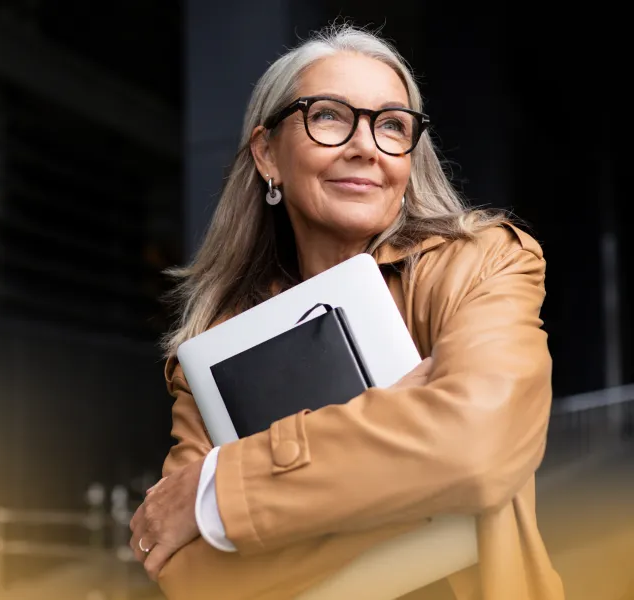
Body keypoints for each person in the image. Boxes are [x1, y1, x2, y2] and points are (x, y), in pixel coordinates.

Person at [129, 24, 564, 600]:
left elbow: (476, 452)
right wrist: (412, 452)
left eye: (391, 125)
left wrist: (219, 493)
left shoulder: (482, 263)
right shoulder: (213, 348)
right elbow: (192, 576)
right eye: (330, 115)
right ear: (267, 153)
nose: (365, 146)